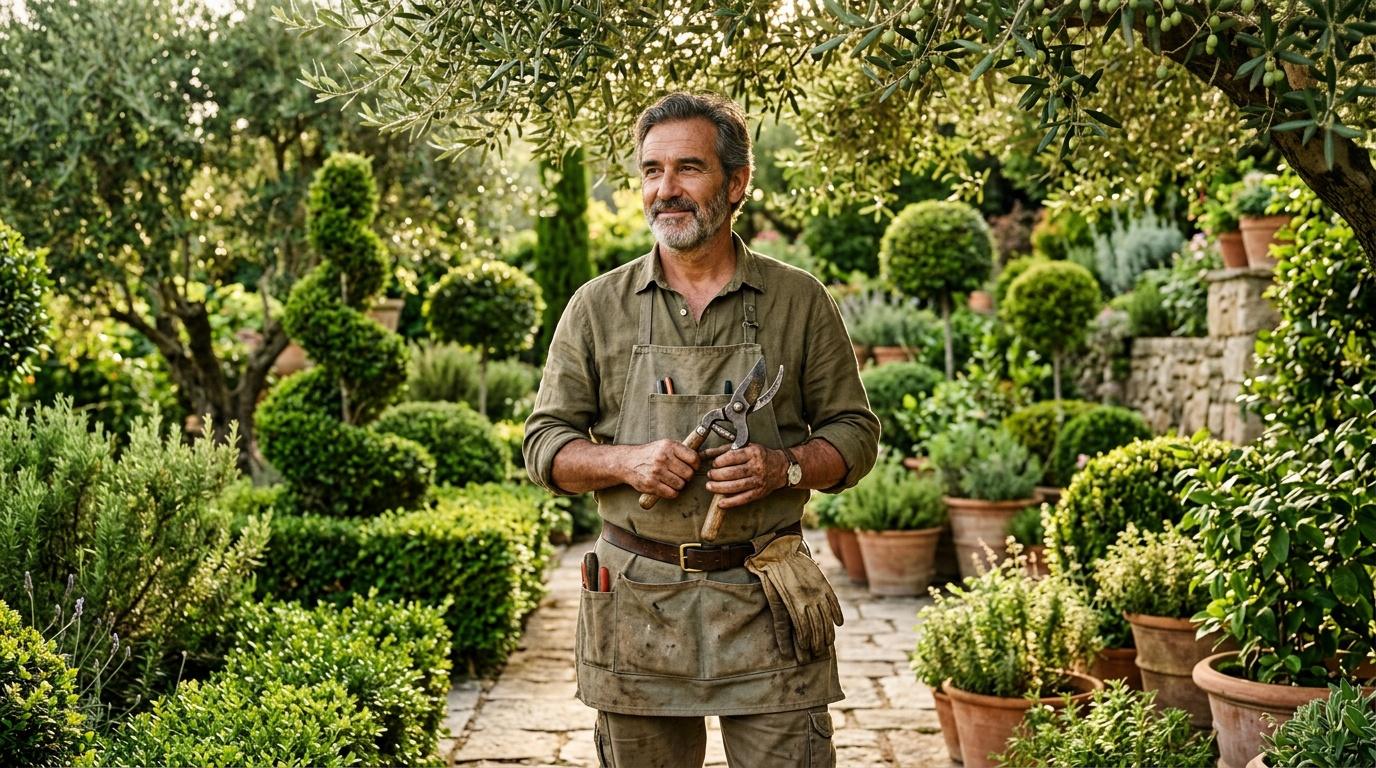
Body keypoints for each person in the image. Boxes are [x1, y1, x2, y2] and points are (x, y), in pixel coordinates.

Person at [523, 91, 880, 768]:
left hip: (768, 599)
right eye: (652, 171)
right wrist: (625, 463)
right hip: (637, 604)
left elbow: (855, 433)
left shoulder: (798, 301)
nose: (666, 190)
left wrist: (785, 467)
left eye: (688, 168)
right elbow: (544, 445)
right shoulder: (597, 307)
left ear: (737, 181)